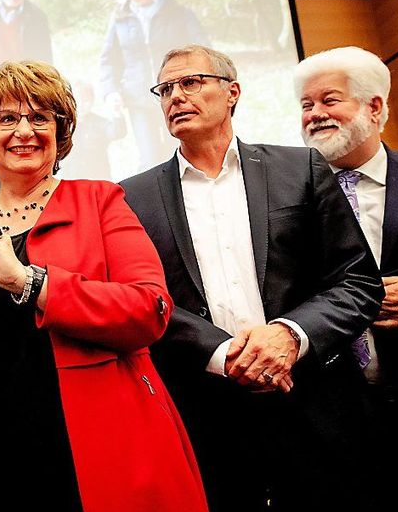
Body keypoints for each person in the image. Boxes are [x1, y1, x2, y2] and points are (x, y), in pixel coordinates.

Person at [120, 44, 384, 511]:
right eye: (165, 89)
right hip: (206, 413)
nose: (176, 96)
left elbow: (357, 281)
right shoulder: (131, 196)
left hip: (316, 403)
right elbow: (145, 301)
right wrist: (224, 354)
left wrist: (289, 336)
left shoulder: (299, 169)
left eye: (192, 82)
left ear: (232, 92)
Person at [0, 60, 207, 512]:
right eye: (7, 119)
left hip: (100, 441)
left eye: (40, 118)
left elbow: (150, 309)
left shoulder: (99, 201)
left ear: (59, 134)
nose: (24, 130)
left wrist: (29, 282)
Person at [295, 46, 398, 511]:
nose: (315, 114)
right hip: (336, 419)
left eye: (329, 100)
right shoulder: (286, 197)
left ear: (375, 106)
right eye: (306, 105)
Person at [98, 0, 207, 170]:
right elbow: (109, 59)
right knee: (149, 158)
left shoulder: (179, 13)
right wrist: (110, 91)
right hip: (137, 98)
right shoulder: (120, 18)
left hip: (177, 96)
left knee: (178, 152)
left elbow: (203, 51)